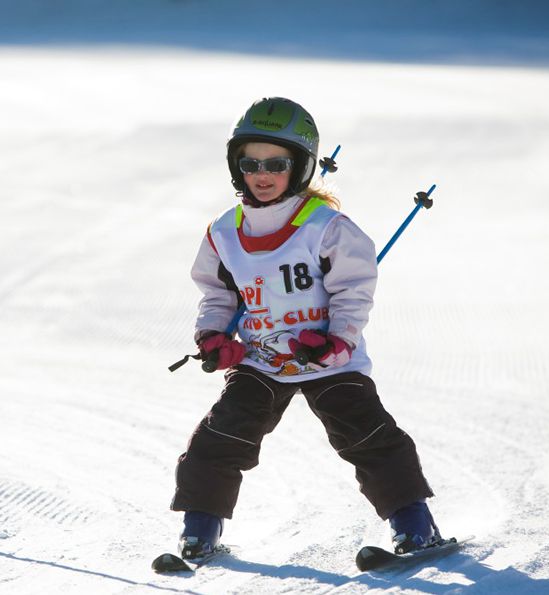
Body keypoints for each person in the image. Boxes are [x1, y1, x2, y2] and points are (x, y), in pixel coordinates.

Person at [170, 97, 441, 560]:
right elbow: (217, 294)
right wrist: (213, 337)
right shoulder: (224, 231)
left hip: (326, 360)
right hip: (262, 359)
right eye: (250, 162)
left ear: (301, 167)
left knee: (367, 436)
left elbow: (354, 288)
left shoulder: (325, 227)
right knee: (219, 437)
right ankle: (200, 530)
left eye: (277, 162)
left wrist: (337, 340)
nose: (263, 172)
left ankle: (415, 526)